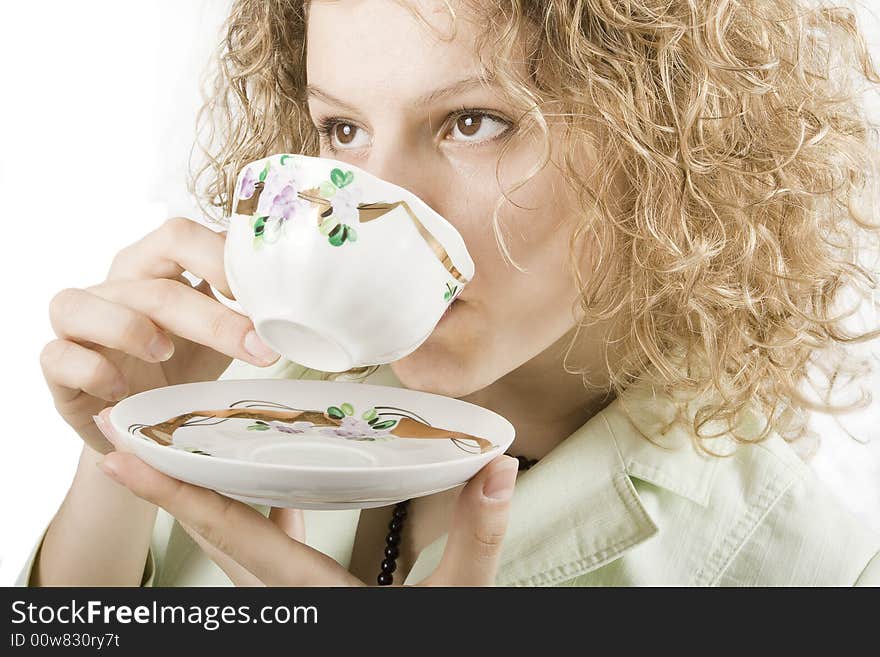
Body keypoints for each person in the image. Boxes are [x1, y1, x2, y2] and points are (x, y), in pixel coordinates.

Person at [22, 0, 880, 586]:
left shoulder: (812, 569)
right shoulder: (244, 400)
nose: (368, 207)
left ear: (671, 135)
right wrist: (119, 451)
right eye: (343, 129)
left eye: (472, 121)